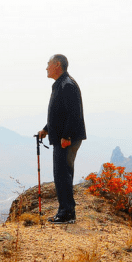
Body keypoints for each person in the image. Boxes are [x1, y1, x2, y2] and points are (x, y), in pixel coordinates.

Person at [37, 54, 86, 224]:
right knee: (62, 173)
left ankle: (66, 213)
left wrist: (67, 136)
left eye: (48, 64)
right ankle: (65, 211)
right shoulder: (61, 84)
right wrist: (46, 129)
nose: (46, 68)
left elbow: (74, 114)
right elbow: (59, 114)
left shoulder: (67, 85)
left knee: (62, 174)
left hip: (66, 139)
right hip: (62, 137)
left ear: (57, 65)